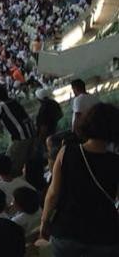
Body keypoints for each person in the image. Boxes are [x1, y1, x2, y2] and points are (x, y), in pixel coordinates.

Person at [40, 103, 119, 256]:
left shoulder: (66, 152)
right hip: (105, 236)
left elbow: (53, 193)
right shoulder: (115, 162)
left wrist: (44, 221)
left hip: (67, 232)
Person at [0, 85, 35, 176]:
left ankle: (12, 181)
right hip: (31, 133)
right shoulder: (13, 101)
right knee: (25, 162)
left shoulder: (1, 105)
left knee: (8, 163)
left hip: (20, 137)